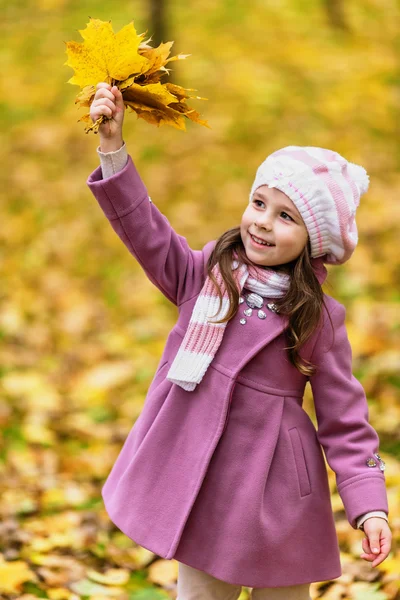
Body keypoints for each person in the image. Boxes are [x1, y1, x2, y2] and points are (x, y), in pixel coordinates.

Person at [86, 83, 392, 600]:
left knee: (284, 592)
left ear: (314, 241)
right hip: (207, 478)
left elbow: (345, 418)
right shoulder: (205, 273)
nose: (263, 223)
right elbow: (146, 232)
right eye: (259, 203)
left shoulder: (319, 317)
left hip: (277, 489)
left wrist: (370, 504)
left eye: (286, 216)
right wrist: (113, 149)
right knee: (202, 591)